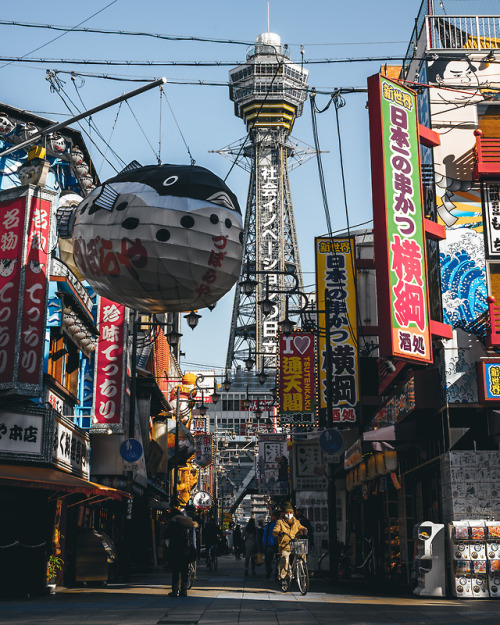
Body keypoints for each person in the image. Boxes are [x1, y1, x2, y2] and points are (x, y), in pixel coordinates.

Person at [165, 500, 198, 597]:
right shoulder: (187, 523)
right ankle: (184, 590)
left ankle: (175, 591)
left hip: (175, 550)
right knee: (184, 571)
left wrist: (169, 548)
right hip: (185, 550)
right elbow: (192, 538)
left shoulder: (172, 523)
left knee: (175, 571)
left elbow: (167, 538)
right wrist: (194, 549)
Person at [273, 502, 307, 581]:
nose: (289, 514)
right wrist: (279, 532)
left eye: (291, 512)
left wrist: (304, 530)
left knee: (302, 547)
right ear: (284, 513)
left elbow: (301, 527)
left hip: (294, 543)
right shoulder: (280, 522)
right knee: (285, 558)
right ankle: (283, 577)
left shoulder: (296, 521)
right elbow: (275, 530)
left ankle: (301, 565)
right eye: (287, 512)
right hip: (285, 545)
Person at [262, 511, 278, 580]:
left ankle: (269, 572)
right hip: (277, 545)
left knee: (268, 560)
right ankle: (277, 573)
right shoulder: (281, 525)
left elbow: (265, 536)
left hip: (270, 545)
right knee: (278, 560)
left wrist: (264, 545)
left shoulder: (269, 525)